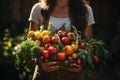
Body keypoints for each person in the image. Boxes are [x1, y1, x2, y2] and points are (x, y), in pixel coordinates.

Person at [28, 0, 95, 80]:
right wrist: (39, 62)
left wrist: (82, 65)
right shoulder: (38, 9)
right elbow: (31, 43)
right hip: (45, 74)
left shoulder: (85, 10)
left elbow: (89, 44)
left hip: (73, 74)